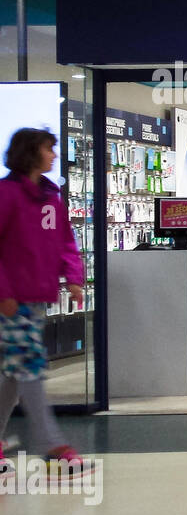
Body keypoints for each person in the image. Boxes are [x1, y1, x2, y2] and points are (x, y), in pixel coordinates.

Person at [0, 128, 93, 479]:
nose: (54, 155)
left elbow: (65, 242)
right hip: (13, 302)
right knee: (31, 368)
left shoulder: (51, 199)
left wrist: (74, 277)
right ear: (30, 152)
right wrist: (4, 293)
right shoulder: (6, 195)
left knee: (14, 374)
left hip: (37, 299)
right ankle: (54, 448)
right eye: (48, 149)